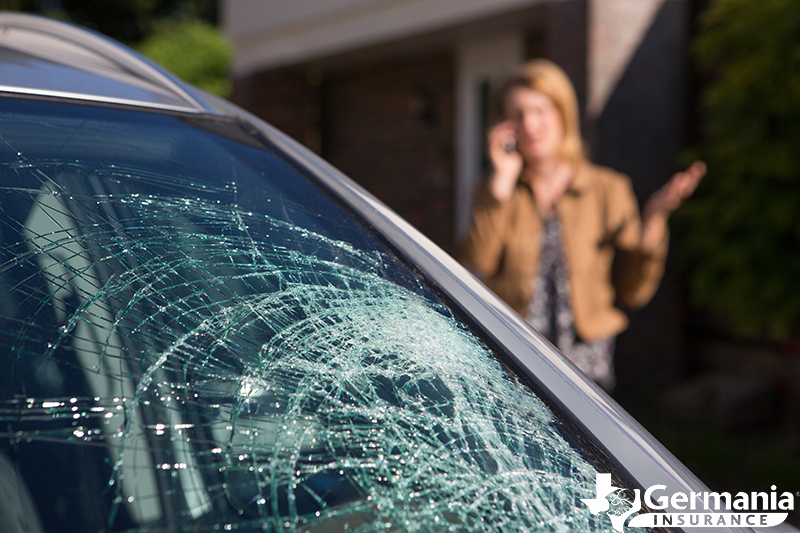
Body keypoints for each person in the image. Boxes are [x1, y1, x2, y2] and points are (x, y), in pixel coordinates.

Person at [458, 59, 705, 391]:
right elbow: (474, 267)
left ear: (562, 113)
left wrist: (655, 220)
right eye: (517, 114)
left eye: (540, 110)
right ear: (503, 124)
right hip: (512, 361)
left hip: (587, 368)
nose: (530, 124)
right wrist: (500, 185)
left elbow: (633, 290)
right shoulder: (495, 190)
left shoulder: (608, 189)